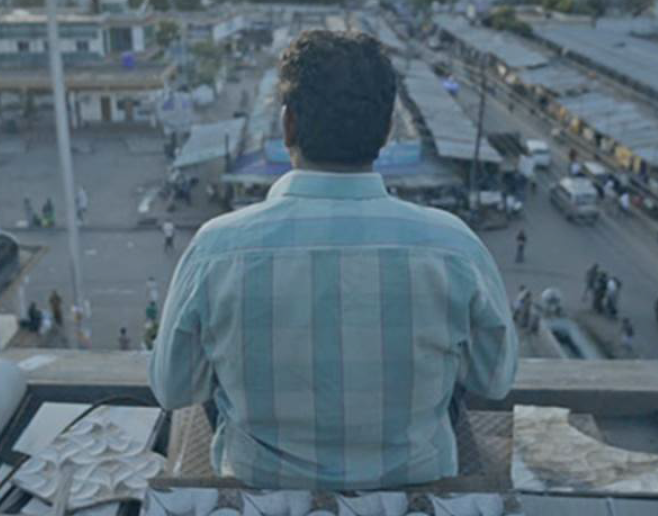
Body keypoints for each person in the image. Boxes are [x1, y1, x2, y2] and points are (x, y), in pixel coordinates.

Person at [150, 31, 517, 490]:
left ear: (287, 126)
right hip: (414, 494)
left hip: (264, 497)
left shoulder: (217, 249)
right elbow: (496, 378)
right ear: (386, 131)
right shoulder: (454, 247)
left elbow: (173, 387)